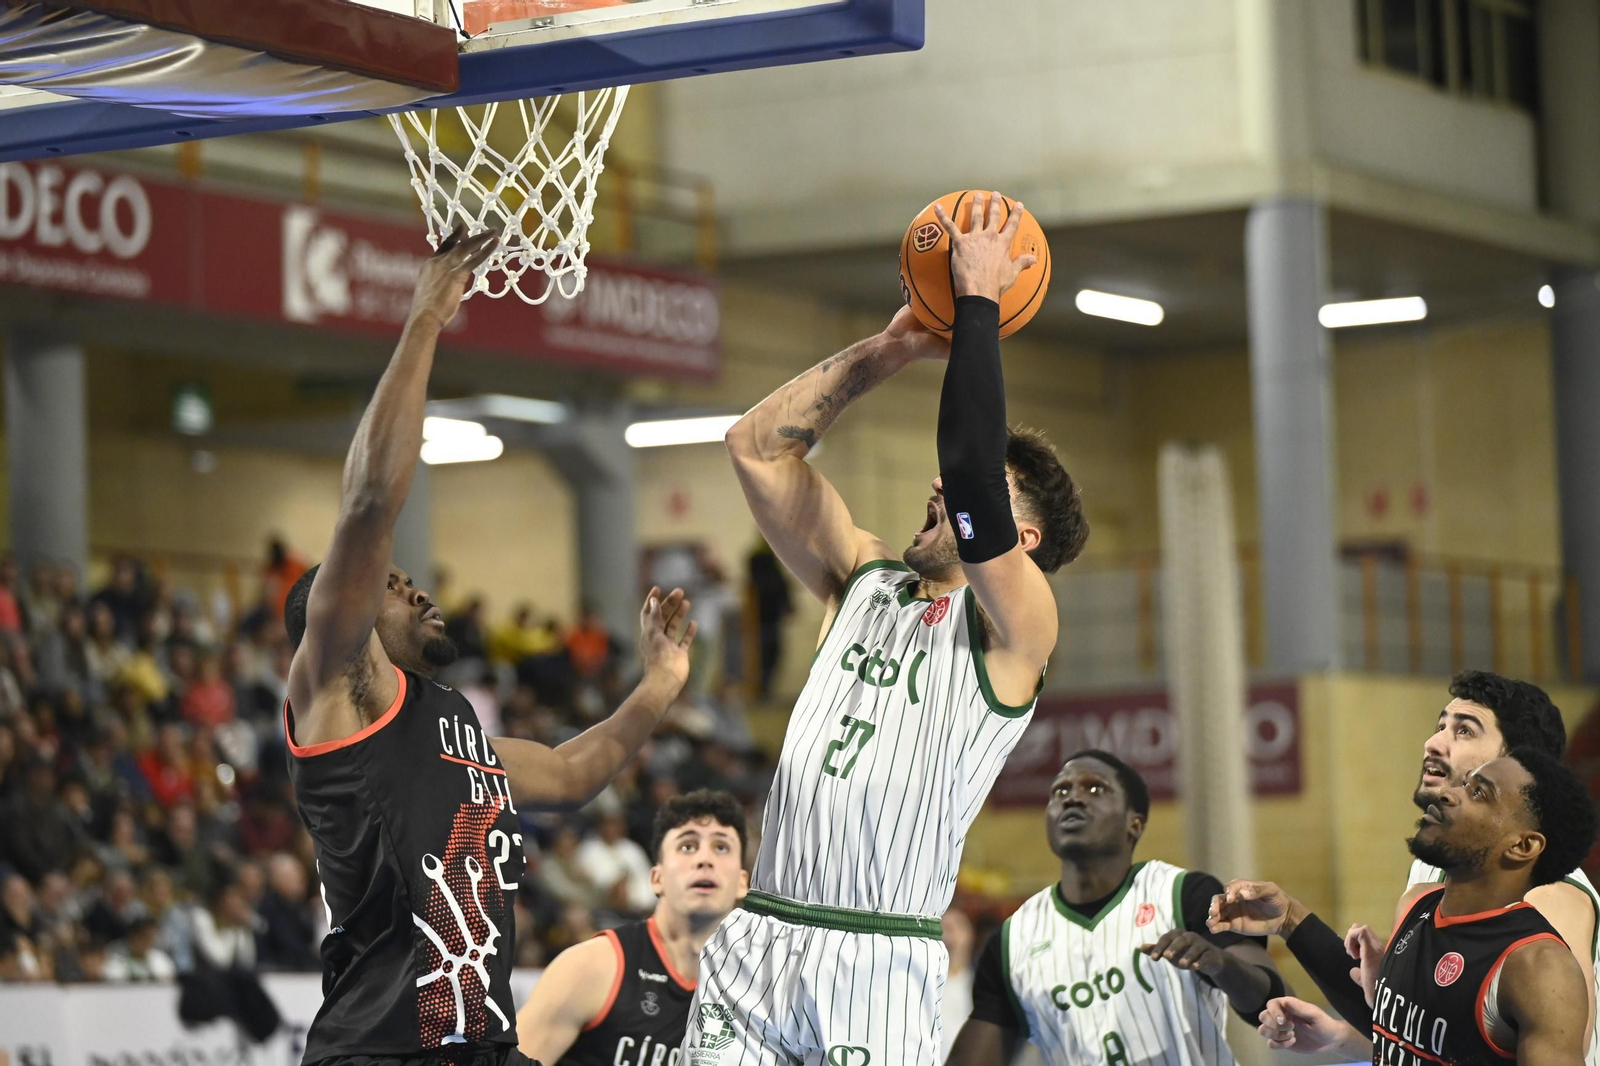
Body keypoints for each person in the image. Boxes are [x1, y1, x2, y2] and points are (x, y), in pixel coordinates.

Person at [683, 193, 1089, 1066]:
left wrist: (978, 304)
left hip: (876, 954)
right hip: (758, 939)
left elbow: (972, 484)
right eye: (943, 483)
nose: (940, 490)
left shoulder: (1020, 628)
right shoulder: (861, 573)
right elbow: (755, 447)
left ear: (1024, 539)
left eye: (979, 495)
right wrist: (893, 347)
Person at [281, 227, 698, 1066]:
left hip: (480, 1046)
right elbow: (367, 505)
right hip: (382, 1049)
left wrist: (659, 683)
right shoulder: (337, 692)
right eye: (393, 588)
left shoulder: (454, 726)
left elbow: (576, 773)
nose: (418, 589)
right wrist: (425, 321)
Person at [1214, 749, 1596, 1066]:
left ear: (1522, 846)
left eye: (1479, 793)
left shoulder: (1535, 965)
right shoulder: (1422, 905)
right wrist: (1289, 919)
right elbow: (1395, 1025)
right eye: (1464, 784)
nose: (1449, 793)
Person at [947, 751, 1284, 1066]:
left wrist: (1220, 963)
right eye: (1060, 792)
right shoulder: (1012, 940)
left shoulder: (1186, 894)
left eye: (1095, 788)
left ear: (1133, 823)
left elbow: (1272, 1002)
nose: (1073, 798)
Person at [1397, 672, 1600, 1060]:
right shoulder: (1437, 865)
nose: (1433, 742)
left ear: (1513, 767)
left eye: (1464, 732)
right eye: (1441, 726)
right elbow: (1434, 1036)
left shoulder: (1546, 892)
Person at [516, 790, 748, 1065]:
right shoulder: (593, 966)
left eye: (721, 847)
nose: (705, 860)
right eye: (687, 846)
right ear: (657, 878)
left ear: (742, 883)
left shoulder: (753, 993)